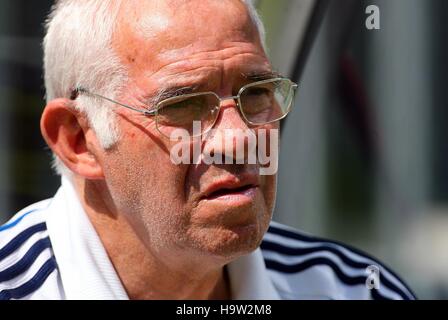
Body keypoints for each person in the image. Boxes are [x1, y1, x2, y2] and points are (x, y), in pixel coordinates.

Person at [0, 0, 415, 300]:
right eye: (183, 105)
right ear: (78, 140)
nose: (239, 140)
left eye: (255, 94)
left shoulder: (357, 289)